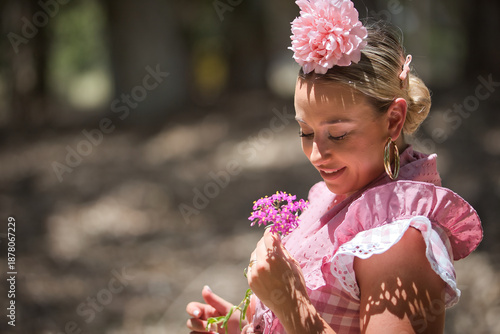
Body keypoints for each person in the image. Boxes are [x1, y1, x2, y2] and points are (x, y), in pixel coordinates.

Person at [186, 0, 482, 333]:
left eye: (338, 135)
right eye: (306, 132)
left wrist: (292, 304)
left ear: (394, 120)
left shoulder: (398, 242)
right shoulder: (336, 203)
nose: (316, 154)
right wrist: (246, 324)